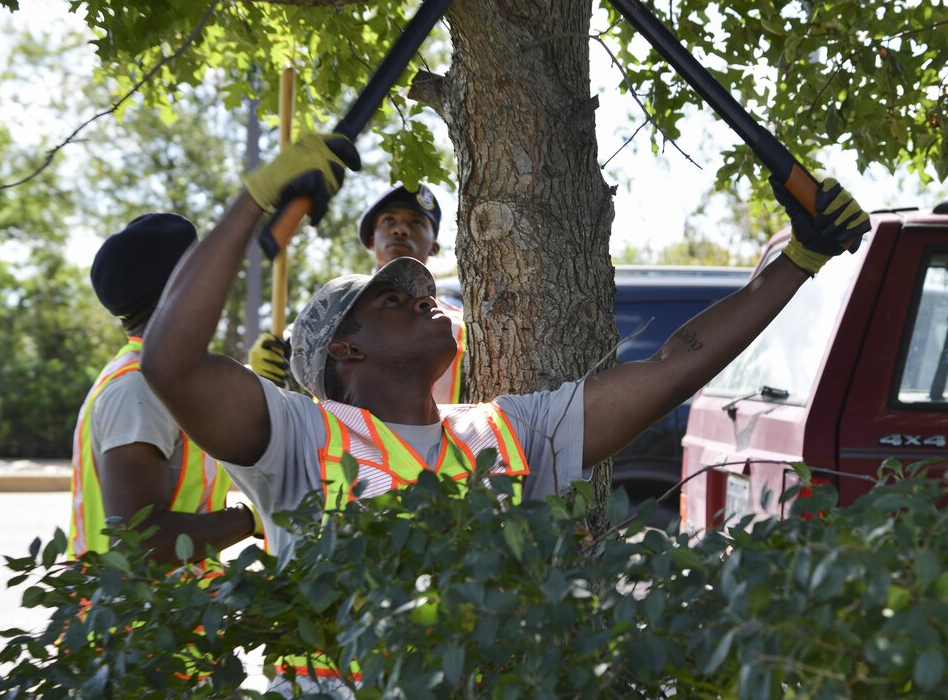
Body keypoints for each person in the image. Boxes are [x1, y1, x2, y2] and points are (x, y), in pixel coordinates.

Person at [140, 135, 868, 691]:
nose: (425, 297)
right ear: (346, 354)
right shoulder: (298, 437)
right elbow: (170, 361)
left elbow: (677, 362)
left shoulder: (509, 430)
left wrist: (799, 260)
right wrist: (256, 199)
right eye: (391, 300)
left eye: (421, 290)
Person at [69, 212, 259, 567]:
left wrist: (256, 380)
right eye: (202, 272)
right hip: (133, 621)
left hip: (173, 617)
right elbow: (142, 544)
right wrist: (251, 518)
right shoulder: (139, 390)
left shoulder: (158, 379)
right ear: (180, 287)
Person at [250, 182, 467, 402]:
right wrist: (272, 369)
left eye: (417, 222)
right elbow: (290, 391)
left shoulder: (462, 324)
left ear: (434, 247)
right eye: (388, 220)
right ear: (372, 239)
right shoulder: (329, 318)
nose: (400, 229)